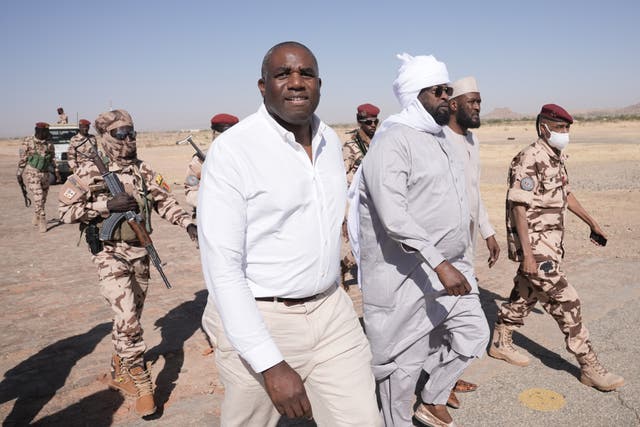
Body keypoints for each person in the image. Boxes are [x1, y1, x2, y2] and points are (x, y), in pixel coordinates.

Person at [198, 41, 381, 426]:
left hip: (332, 310)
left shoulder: (330, 140)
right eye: (283, 74)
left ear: (319, 84)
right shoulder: (234, 151)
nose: (296, 82)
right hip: (263, 315)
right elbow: (223, 269)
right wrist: (269, 363)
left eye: (306, 74)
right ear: (263, 87)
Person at [357, 53, 489, 427]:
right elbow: (394, 215)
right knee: (403, 369)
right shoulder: (392, 142)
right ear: (417, 95)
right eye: (439, 91)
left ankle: (432, 398)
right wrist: (440, 262)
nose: (448, 97)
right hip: (409, 276)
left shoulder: (441, 138)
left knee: (474, 334)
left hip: (451, 267)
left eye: (449, 90)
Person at [58, 109, 198, 417]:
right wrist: (106, 205)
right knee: (128, 320)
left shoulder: (142, 169)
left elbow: (164, 200)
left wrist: (187, 223)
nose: (129, 139)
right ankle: (142, 382)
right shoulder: (88, 171)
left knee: (130, 317)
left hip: (140, 252)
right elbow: (65, 212)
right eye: (121, 133)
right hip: (110, 254)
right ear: (106, 136)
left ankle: (119, 368)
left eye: (132, 132)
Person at [489, 104, 624, 391]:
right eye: (560, 128)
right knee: (567, 300)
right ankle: (589, 365)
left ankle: (501, 340)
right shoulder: (530, 157)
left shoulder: (555, 156)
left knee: (526, 294)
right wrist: (527, 254)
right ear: (543, 128)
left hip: (550, 245)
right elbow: (518, 207)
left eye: (567, 129)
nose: (565, 134)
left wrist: (592, 222)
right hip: (536, 246)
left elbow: (566, 194)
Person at [340, 103, 379, 288]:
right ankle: (344, 265)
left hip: (376, 199)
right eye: (368, 122)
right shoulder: (350, 146)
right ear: (359, 122)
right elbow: (340, 180)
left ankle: (347, 264)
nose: (372, 125)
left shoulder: (379, 142)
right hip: (356, 202)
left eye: (375, 121)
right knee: (364, 241)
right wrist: (344, 217)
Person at [184, 113, 239, 211]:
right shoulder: (199, 161)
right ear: (213, 134)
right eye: (219, 135)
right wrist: (212, 198)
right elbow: (190, 192)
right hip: (208, 214)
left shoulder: (243, 158)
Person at [17, 122, 59, 233]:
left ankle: (36, 213)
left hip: (45, 174)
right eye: (45, 132)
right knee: (38, 196)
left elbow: (52, 158)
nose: (47, 134)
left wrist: (56, 171)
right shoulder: (28, 141)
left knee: (43, 198)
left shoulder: (49, 143)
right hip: (32, 173)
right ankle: (42, 218)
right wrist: (19, 173)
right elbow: (23, 159)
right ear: (38, 131)